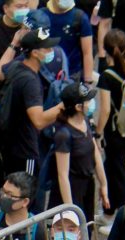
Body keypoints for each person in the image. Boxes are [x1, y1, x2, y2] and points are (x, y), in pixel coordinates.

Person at [95, 30, 125, 232]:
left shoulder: (107, 76)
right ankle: (109, 213)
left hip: (115, 132)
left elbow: (105, 109)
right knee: (111, 167)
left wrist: (97, 133)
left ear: (105, 50)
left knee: (119, 174)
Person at [0, 28, 64, 179]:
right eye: (47, 48)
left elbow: (0, 71)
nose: (51, 51)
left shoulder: (16, 66)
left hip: (9, 144)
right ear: (34, 53)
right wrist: (65, 105)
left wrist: (14, 44)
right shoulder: (31, 82)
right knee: (25, 194)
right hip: (24, 149)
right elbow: (39, 121)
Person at [49, 83, 107, 227]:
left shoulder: (85, 122)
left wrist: (103, 184)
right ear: (78, 107)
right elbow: (63, 175)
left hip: (87, 186)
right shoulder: (64, 134)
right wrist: (70, 210)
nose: (92, 103)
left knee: (86, 230)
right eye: (88, 100)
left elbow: (95, 152)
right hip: (70, 190)